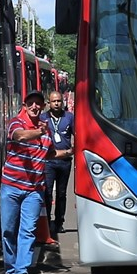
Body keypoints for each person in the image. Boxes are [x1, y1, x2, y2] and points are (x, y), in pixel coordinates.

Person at [0, 91, 52, 274]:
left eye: (38, 104)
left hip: (34, 190)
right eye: (31, 103)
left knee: (28, 230)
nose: (34, 107)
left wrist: (72, 150)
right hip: (11, 187)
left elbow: (50, 153)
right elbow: (20, 136)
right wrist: (40, 132)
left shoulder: (45, 130)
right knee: (8, 230)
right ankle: (11, 270)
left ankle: (21, 271)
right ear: (25, 106)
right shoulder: (16, 123)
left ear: (43, 107)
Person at [40, 90, 75, 237]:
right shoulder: (43, 118)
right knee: (47, 193)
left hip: (65, 161)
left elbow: (77, 134)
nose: (56, 104)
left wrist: (73, 150)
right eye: (53, 101)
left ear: (62, 102)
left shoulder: (69, 117)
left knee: (61, 193)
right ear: (49, 103)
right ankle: (47, 222)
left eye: (59, 101)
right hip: (48, 161)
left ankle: (59, 222)